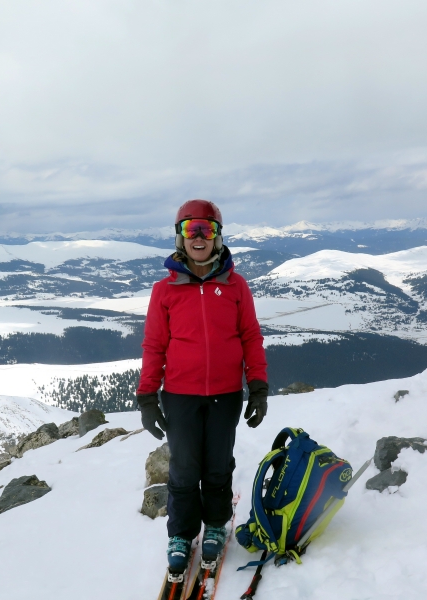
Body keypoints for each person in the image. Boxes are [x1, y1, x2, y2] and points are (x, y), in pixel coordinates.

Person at [135, 199, 269, 575]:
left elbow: (250, 338)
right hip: (179, 395)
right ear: (179, 237)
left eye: (206, 229)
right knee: (183, 468)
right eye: (190, 229)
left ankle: (214, 525)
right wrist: (147, 397)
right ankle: (180, 534)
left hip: (225, 394)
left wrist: (257, 386)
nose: (198, 237)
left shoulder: (236, 286)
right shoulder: (165, 291)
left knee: (217, 467)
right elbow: (154, 345)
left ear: (217, 236)